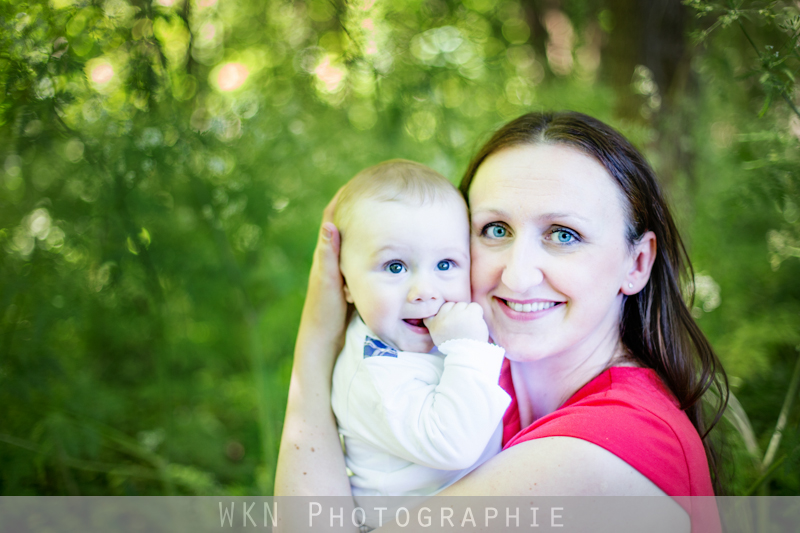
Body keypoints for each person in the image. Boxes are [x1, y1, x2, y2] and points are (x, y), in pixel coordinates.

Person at [275, 111, 727, 532]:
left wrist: (317, 335)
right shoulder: (474, 369)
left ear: (637, 263)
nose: (517, 274)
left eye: (564, 235)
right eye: (495, 230)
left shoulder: (607, 446)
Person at [329, 160, 510, 522]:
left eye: (445, 265)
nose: (425, 291)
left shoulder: (395, 332)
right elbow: (455, 445)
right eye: (395, 267)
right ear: (346, 283)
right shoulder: (374, 375)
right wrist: (469, 349)